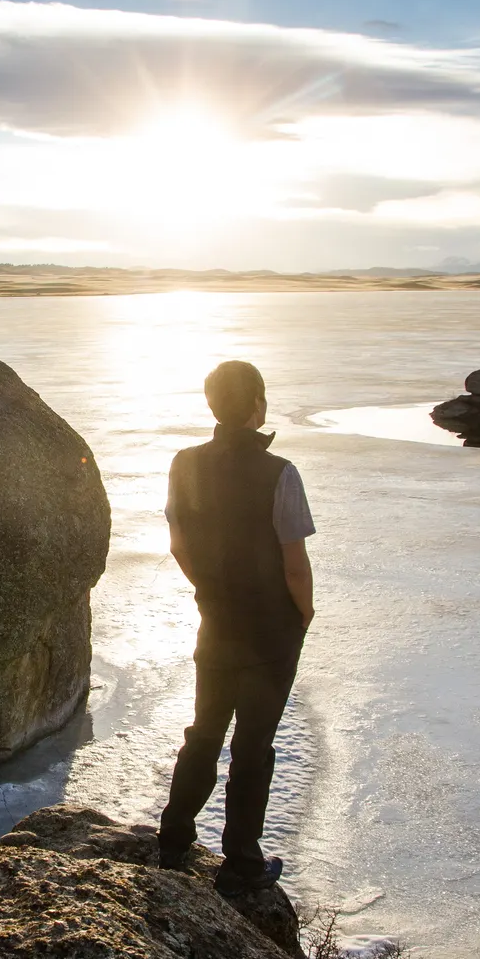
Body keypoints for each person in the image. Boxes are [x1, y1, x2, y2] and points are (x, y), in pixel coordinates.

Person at [158, 360, 315, 896]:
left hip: (216, 620)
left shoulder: (184, 463)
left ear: (212, 405)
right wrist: (305, 611)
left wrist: (207, 589)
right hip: (271, 631)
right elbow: (294, 563)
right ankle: (241, 861)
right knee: (253, 745)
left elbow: (178, 542)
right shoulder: (280, 472)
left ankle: (173, 840)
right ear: (257, 406)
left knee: (203, 733)